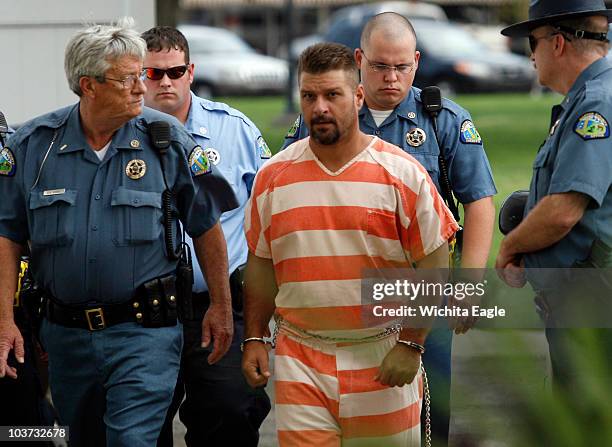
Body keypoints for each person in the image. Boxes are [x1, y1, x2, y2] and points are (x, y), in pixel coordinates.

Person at [0, 18, 238, 446]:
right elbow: (7, 235)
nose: (141, 89)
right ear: (88, 86)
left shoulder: (167, 142)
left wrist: (221, 306)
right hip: (65, 338)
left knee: (132, 440)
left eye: (139, 77)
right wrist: (4, 319)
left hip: (144, 334)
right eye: (128, 79)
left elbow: (206, 227)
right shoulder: (34, 146)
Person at [281, 13, 496, 444]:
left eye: (402, 66)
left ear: (416, 62)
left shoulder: (442, 120)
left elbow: (479, 202)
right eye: (380, 66)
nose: (392, 77)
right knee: (339, 410)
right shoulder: (326, 114)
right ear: (360, 60)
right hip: (342, 288)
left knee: (430, 412)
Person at [242, 42, 458, 446]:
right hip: (300, 358)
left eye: (332, 95)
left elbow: (435, 264)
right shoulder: (272, 177)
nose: (319, 107)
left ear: (358, 97)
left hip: (382, 355)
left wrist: (411, 344)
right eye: (309, 96)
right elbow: (261, 263)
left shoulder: (402, 174)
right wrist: (255, 337)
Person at [140, 26, 271, 447]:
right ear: (137, 76)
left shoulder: (234, 131)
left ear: (191, 71)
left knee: (232, 411)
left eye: (174, 71)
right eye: (153, 73)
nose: (165, 82)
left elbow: (271, 213)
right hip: (143, 311)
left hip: (219, 304)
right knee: (140, 423)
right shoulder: (120, 134)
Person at [497, 0, 612, 392]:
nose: (531, 55)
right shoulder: (589, 99)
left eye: (533, 41)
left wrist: (511, 247)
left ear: (558, 43)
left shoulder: (596, 104)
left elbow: (564, 209)